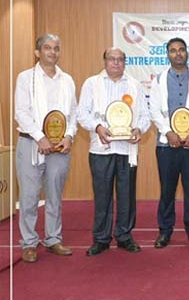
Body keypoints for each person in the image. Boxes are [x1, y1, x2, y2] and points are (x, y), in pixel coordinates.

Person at [77, 47, 150, 256]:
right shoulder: (92, 83)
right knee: (102, 196)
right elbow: (82, 114)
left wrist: (139, 129)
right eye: (112, 59)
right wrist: (97, 127)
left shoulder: (135, 85)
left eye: (120, 59)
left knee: (127, 195)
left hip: (127, 149)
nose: (116, 63)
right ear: (105, 61)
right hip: (101, 149)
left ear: (125, 62)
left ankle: (124, 236)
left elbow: (145, 115)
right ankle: (101, 238)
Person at [15, 34, 77, 263]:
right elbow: (21, 112)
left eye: (56, 48)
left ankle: (53, 239)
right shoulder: (26, 78)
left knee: (54, 195)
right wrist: (40, 137)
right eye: (48, 48)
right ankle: (29, 243)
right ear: (37, 52)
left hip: (60, 147)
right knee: (29, 196)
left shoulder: (67, 80)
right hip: (31, 143)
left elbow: (73, 113)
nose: (53, 52)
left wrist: (69, 135)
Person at [149, 37, 189, 248]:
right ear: (168, 55)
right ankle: (165, 231)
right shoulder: (159, 80)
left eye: (181, 50)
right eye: (173, 50)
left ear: (187, 53)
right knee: (167, 190)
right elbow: (154, 110)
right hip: (167, 145)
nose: (178, 53)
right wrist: (168, 132)